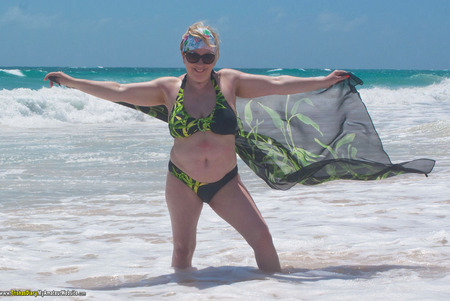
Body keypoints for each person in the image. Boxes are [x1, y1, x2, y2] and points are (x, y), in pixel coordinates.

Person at [44, 22, 348, 273]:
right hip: (182, 182)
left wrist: (322, 80)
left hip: (225, 182)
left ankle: (274, 293)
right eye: (194, 56)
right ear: (183, 54)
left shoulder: (230, 82)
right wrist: (72, 82)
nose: (200, 63)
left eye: (207, 57)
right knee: (182, 249)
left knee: (262, 239)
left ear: (216, 57)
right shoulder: (167, 89)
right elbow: (120, 91)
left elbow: (279, 84)